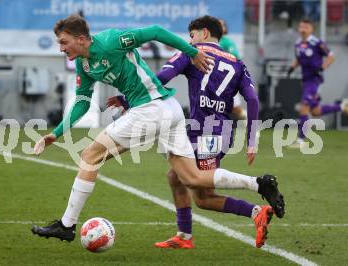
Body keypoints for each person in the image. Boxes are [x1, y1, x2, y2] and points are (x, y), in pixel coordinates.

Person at [31, 15, 284, 243]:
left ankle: (66, 225)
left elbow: (153, 30)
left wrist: (190, 51)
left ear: (82, 39)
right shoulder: (83, 65)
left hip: (150, 109)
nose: (61, 48)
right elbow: (83, 102)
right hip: (169, 110)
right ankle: (258, 184)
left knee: (89, 156)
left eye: (64, 42)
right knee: (190, 178)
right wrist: (56, 134)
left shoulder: (111, 40)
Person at [107, 16, 281, 249]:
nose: (190, 40)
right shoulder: (238, 62)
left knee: (203, 196)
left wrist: (128, 99)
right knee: (176, 177)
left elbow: (162, 78)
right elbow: (252, 99)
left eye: (192, 35)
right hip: (213, 130)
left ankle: (257, 202)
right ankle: (185, 236)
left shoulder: (192, 51)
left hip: (208, 132)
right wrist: (251, 140)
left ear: (205, 33)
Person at [287, 19, 348, 148]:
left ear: (311, 29)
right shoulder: (297, 44)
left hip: (314, 80)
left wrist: (322, 67)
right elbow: (298, 58)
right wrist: (291, 68)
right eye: (301, 26)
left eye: (306, 27)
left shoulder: (317, 43)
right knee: (316, 112)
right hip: (306, 80)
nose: (303, 29)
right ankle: (341, 107)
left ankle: (301, 140)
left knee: (304, 107)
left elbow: (331, 56)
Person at [218, 19, 247, 121]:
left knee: (236, 109)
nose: (219, 27)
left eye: (221, 25)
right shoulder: (209, 42)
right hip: (212, 80)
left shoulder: (227, 42)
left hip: (226, 81)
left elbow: (236, 59)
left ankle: (250, 127)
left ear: (225, 29)